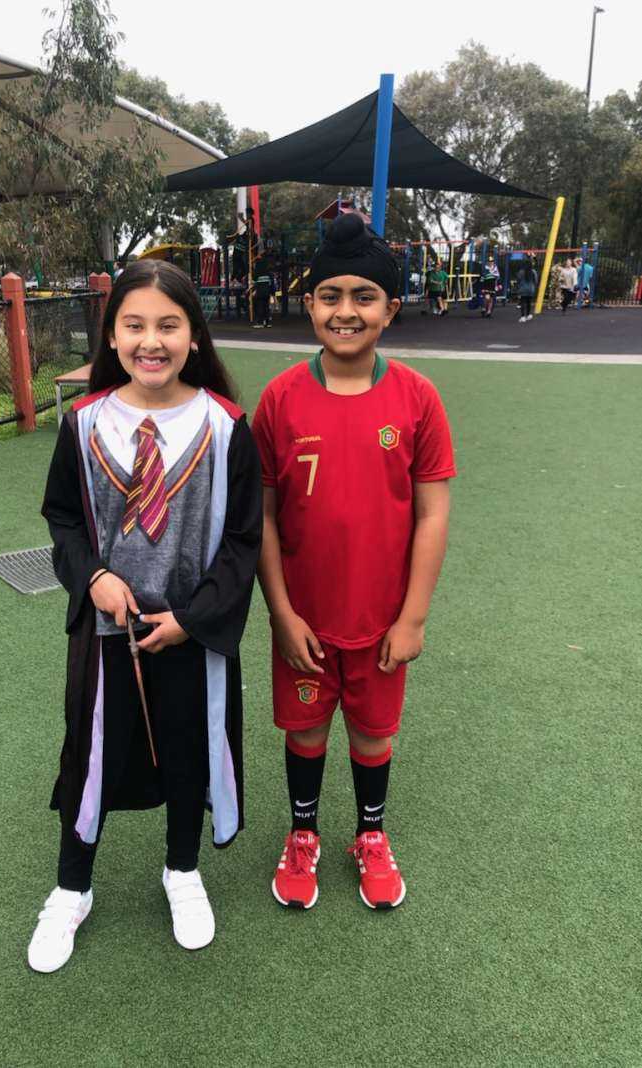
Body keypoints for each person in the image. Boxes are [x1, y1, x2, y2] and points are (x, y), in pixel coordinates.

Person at [29, 260, 262, 971]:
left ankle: (182, 870)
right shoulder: (84, 423)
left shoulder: (225, 427)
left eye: (168, 325)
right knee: (90, 756)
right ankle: (71, 887)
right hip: (108, 633)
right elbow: (63, 518)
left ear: (194, 336)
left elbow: (243, 540)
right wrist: (93, 577)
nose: (150, 341)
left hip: (190, 630)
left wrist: (193, 618)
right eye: (134, 325)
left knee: (188, 750)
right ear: (112, 335)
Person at [252, 214, 456, 912]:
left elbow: (431, 515)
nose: (346, 311)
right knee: (305, 729)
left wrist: (413, 618)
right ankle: (302, 834)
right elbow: (263, 517)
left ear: (390, 309)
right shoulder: (280, 398)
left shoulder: (417, 398)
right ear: (309, 305)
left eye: (363, 297)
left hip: (381, 621)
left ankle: (370, 835)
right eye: (330, 295)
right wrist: (281, 614)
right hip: (304, 622)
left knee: (373, 733)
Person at [252, 250, 275, 328]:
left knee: (259, 306)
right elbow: (272, 284)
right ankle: (267, 322)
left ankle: (260, 322)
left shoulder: (257, 272)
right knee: (266, 306)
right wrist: (272, 293)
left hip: (260, 291)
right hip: (267, 292)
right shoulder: (269, 273)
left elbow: (254, 280)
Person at [516, 257, 538, 322]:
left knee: (523, 302)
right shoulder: (533, 271)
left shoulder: (521, 272)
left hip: (523, 288)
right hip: (531, 289)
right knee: (529, 302)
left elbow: (518, 280)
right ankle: (528, 315)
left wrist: (518, 287)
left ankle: (523, 317)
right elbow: (536, 281)